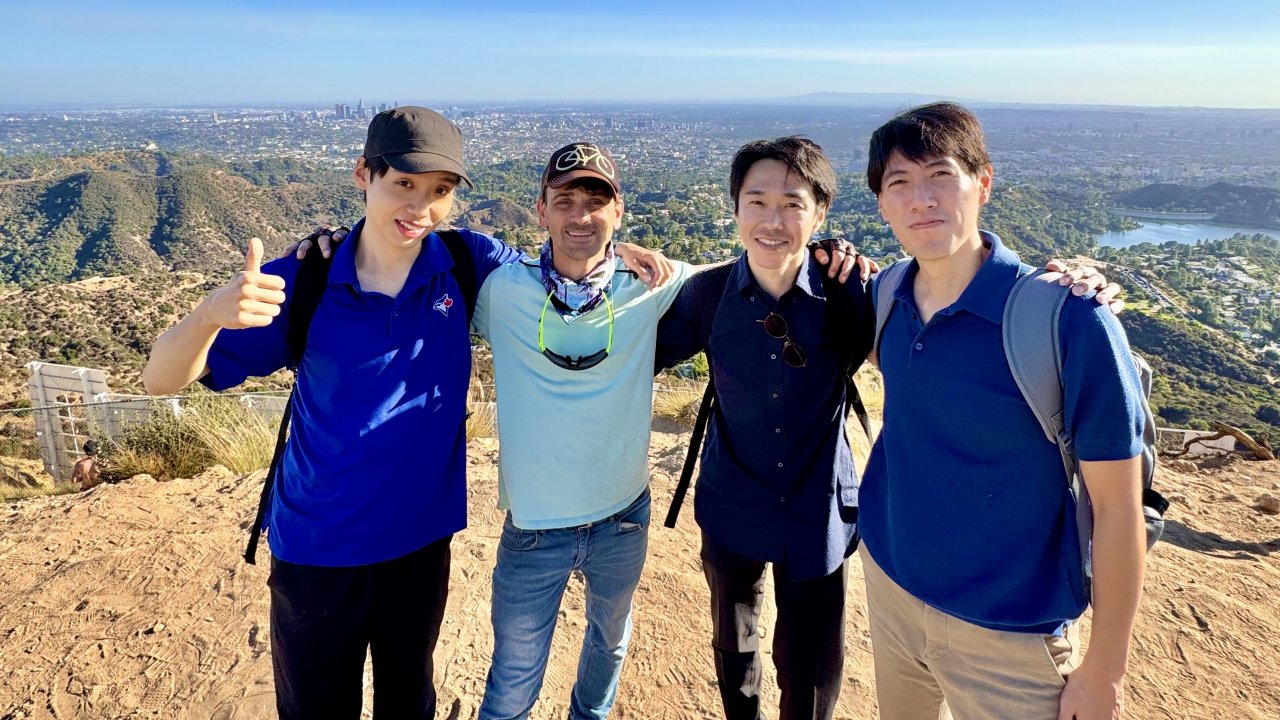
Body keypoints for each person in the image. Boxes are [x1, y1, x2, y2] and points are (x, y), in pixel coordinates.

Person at [140, 109, 662, 720]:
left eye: (439, 191)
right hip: (317, 547)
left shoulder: (466, 264)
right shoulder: (304, 279)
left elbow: (554, 270)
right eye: (404, 184)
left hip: (418, 543)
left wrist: (609, 246)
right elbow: (160, 380)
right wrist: (207, 315)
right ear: (365, 174)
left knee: (408, 699)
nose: (421, 207)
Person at [857, 102, 1146, 720]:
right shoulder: (885, 297)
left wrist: (1104, 672)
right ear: (881, 204)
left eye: (940, 175)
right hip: (891, 589)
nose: (921, 200)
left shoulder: (1067, 321)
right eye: (899, 184)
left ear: (982, 183)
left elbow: (1119, 508)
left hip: (1011, 633)